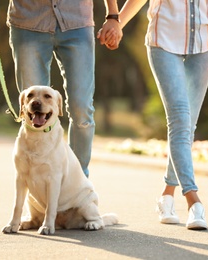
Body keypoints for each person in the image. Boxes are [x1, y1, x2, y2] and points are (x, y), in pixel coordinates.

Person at [99, 0, 208, 229]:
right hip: (164, 40)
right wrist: (117, 23)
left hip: (207, 40)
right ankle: (194, 201)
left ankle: (166, 194)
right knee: (180, 119)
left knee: (188, 125)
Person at [7, 0, 122, 178]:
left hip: (77, 22)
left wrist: (113, 16)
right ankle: (39, 184)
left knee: (81, 109)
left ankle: (77, 182)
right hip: (28, 22)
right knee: (33, 113)